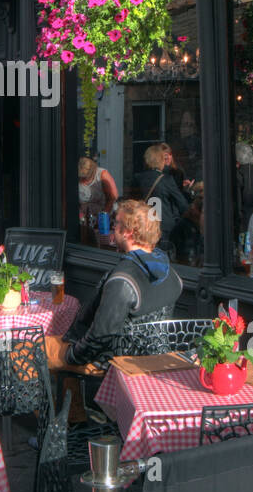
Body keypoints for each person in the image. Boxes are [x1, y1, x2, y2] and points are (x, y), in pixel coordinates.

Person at [47, 200, 183, 372]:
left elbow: (99, 338)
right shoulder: (172, 274)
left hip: (116, 364)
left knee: (32, 349)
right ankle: (73, 396)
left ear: (128, 232)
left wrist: (70, 356)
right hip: (157, 358)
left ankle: (41, 398)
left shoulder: (122, 281)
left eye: (115, 222)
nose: (112, 227)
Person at [133, 143, 189, 256]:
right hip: (164, 228)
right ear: (161, 160)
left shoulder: (138, 178)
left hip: (145, 225)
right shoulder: (166, 179)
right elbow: (182, 204)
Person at [77, 157, 119, 231]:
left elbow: (112, 198)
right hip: (84, 217)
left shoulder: (102, 174)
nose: (83, 179)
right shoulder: (77, 174)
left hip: (104, 214)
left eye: (85, 177)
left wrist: (103, 218)